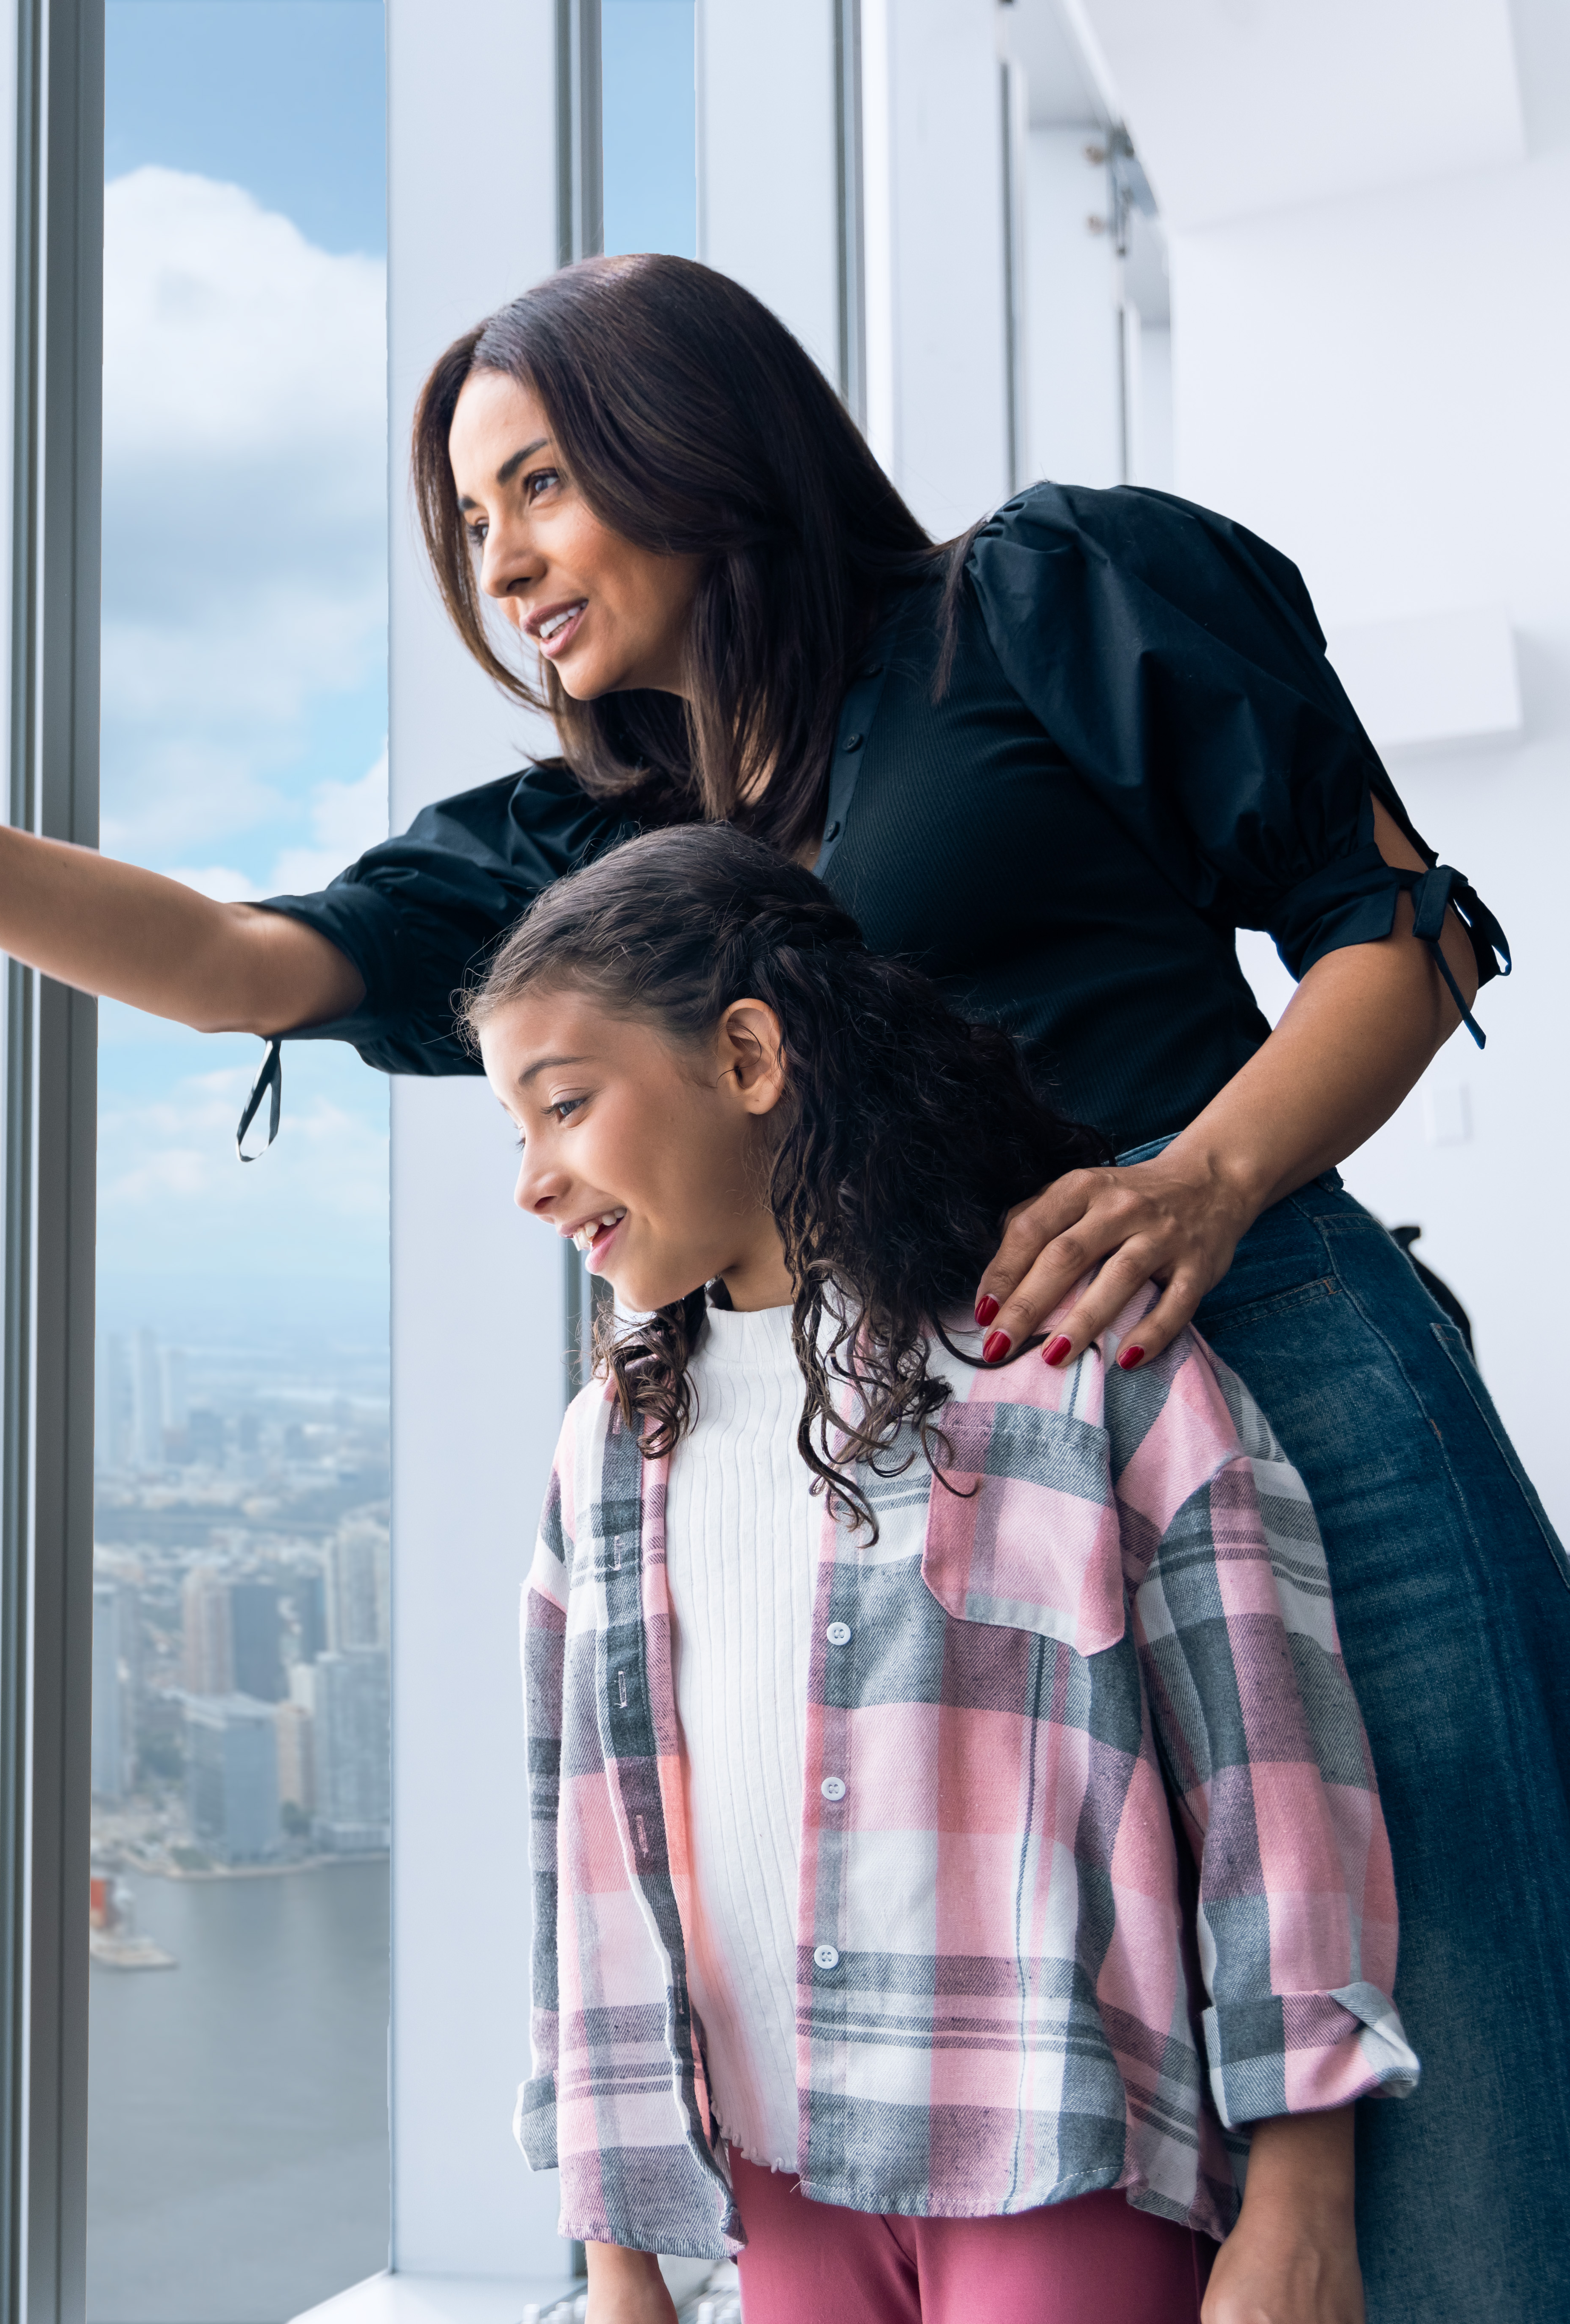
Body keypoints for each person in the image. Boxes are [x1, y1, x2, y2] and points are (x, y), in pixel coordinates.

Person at [0, 252, 1570, 2317]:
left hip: (1271, 1374)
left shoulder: (1042, 597)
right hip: (938, 1509)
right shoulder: (600, 844)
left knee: (1471, 2125)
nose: (499, 558)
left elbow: (1398, 924)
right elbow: (239, 963)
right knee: (1148, 2165)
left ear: (693, 438)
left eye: (532, 486)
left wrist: (1202, 1176)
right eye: (463, 524)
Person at [477, 822, 1413, 2324]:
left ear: (750, 1056)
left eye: (564, 1106)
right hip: (766, 2188)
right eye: (513, 1134)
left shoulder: (1068, 1365)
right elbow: (580, 1844)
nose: (532, 1181)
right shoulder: (604, 1446)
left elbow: (1273, 1787)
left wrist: (1304, 2204)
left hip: (1057, 2155)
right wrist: (618, 2258)